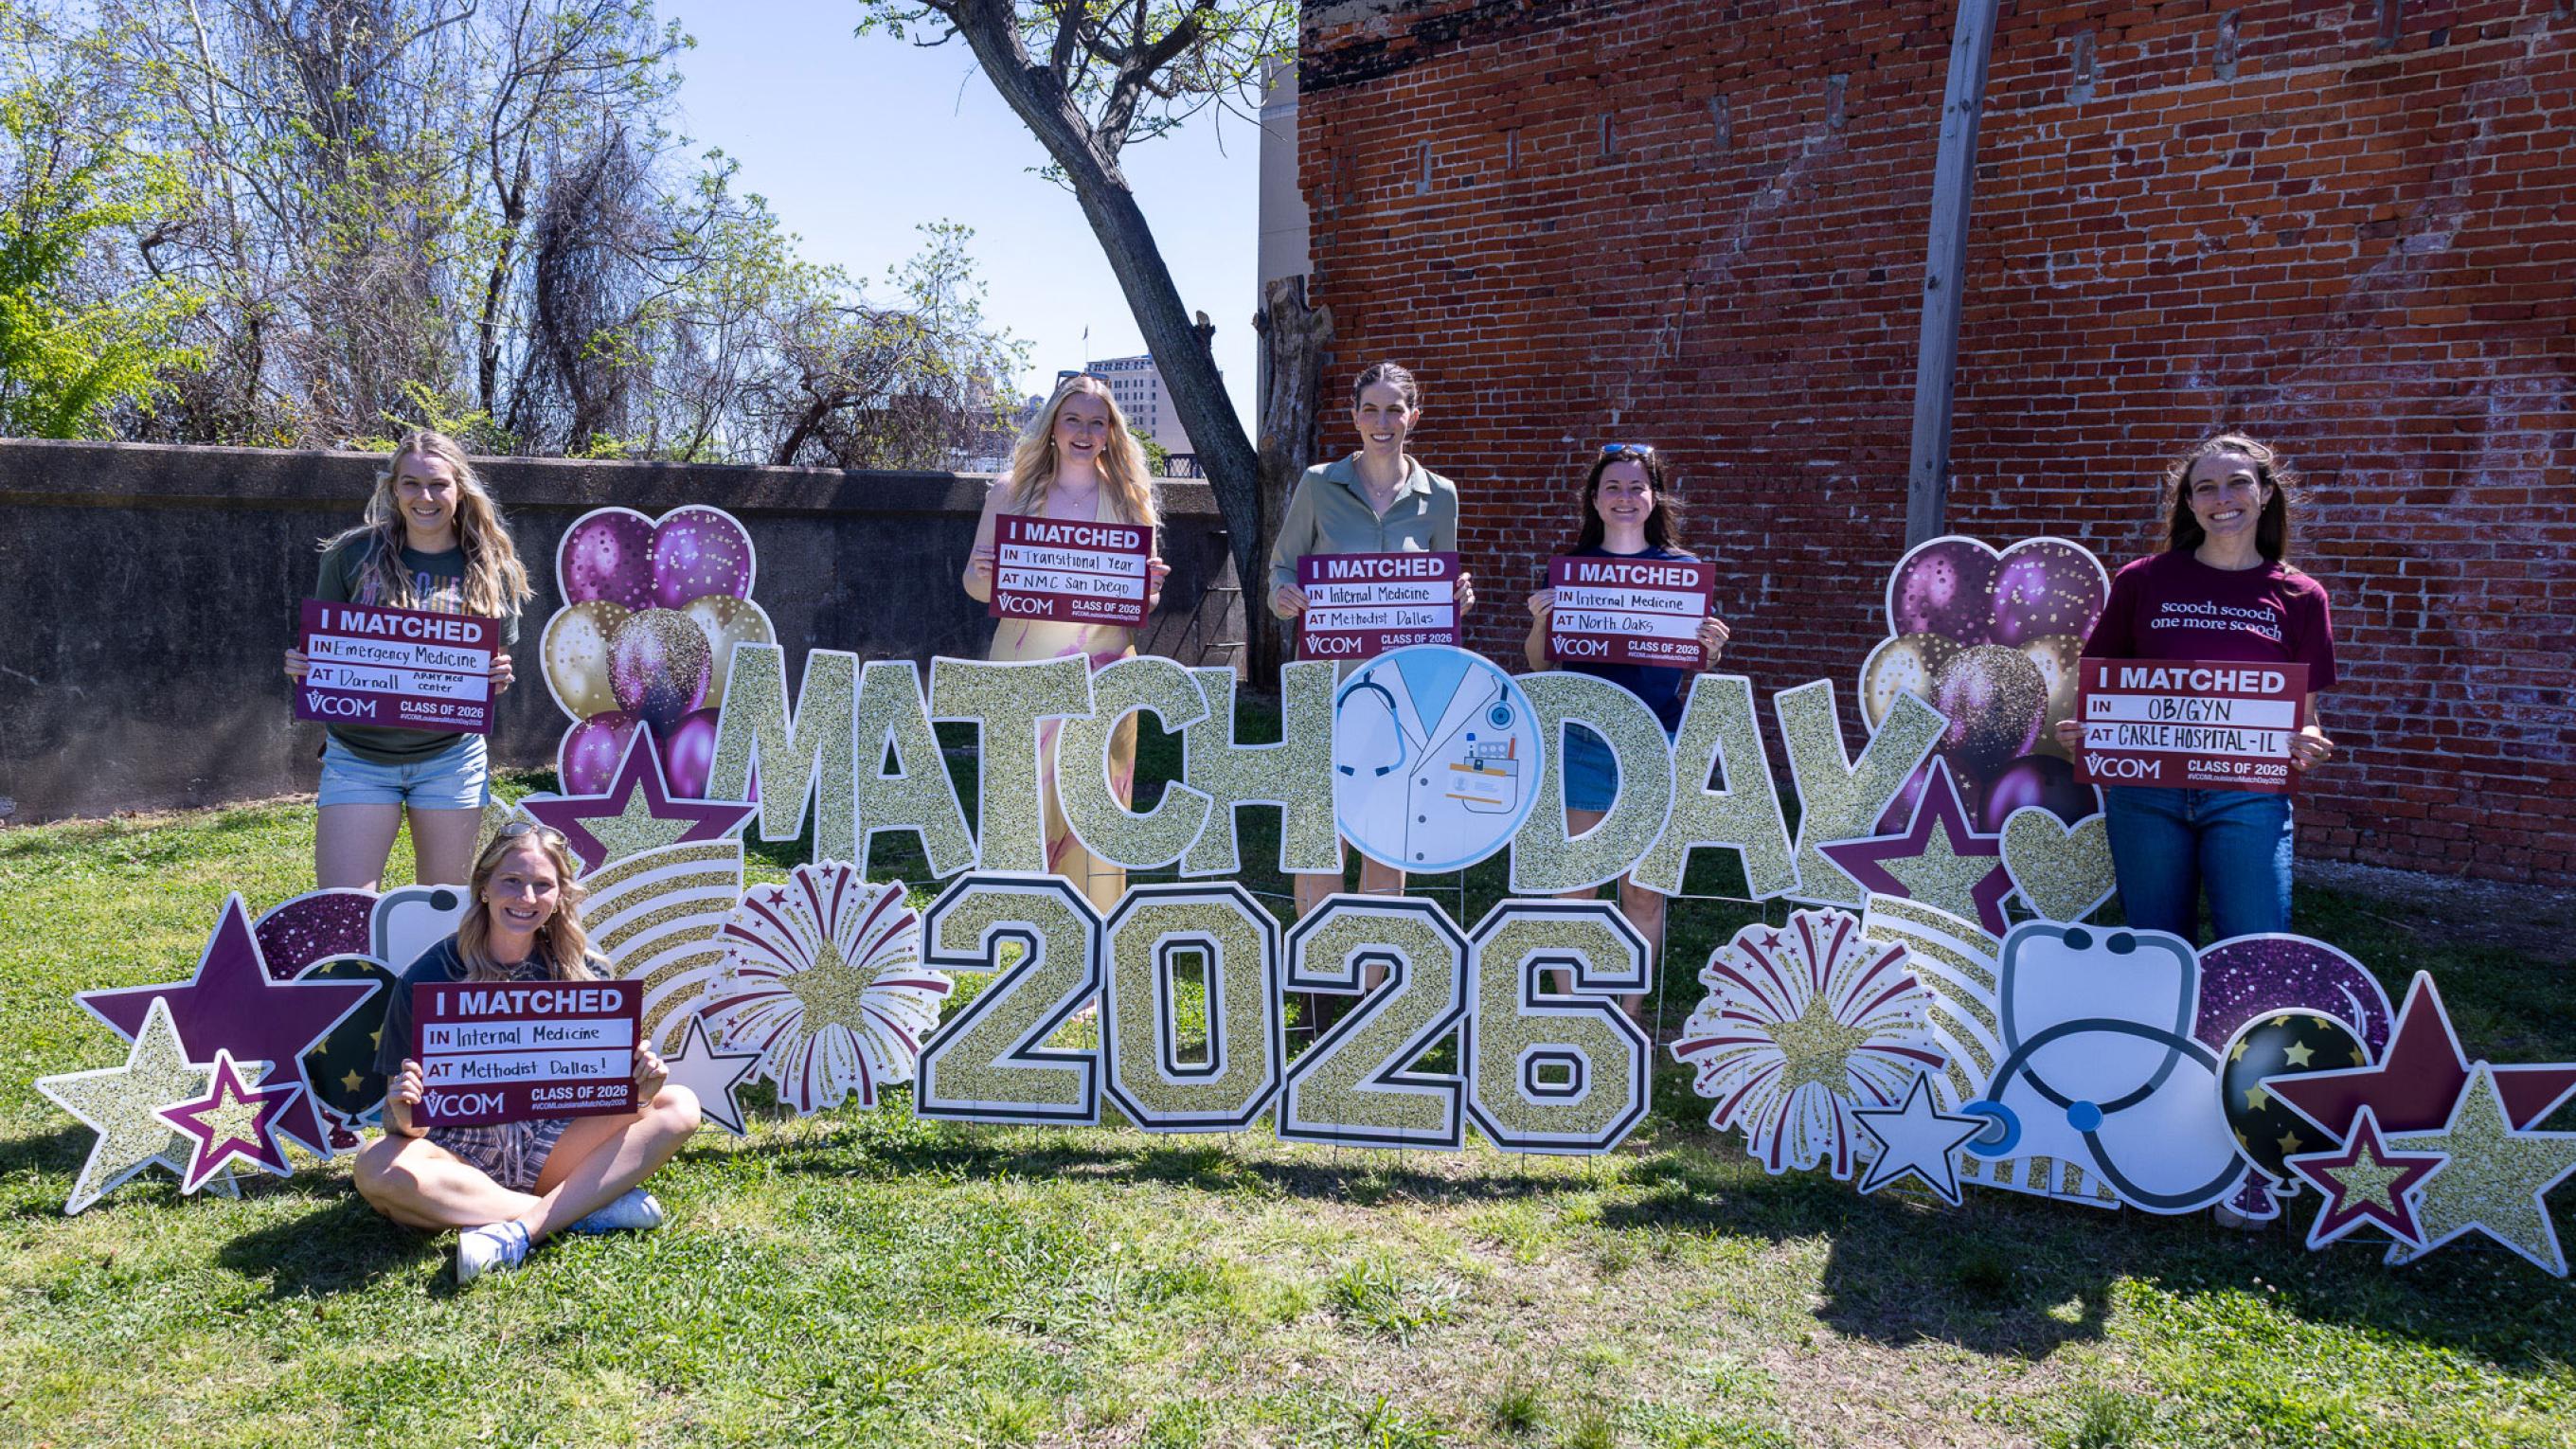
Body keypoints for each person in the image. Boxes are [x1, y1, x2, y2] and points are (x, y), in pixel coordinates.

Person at [353, 822, 701, 1283]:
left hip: (551, 1143)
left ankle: (519, 1228)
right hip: (458, 1152)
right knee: (376, 1168)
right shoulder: (429, 976)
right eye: (512, 882)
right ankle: (579, 1211)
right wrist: (404, 1110)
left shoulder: (585, 972)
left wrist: (638, 1090)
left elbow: (603, 1091)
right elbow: (403, 1124)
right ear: (483, 888)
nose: (526, 898)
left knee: (679, 1106)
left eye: (543, 885)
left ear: (560, 896)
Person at [2055, 432, 2337, 944]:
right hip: (2147, 794)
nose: (2222, 499)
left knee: (2258, 944)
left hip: (2249, 794)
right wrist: (2089, 731)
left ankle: (2247, 1028)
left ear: (2266, 493)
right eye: (2205, 488)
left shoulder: (2301, 596)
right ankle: (2161, 1027)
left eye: (2237, 483)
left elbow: (2304, 715)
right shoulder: (2142, 581)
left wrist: (2309, 743)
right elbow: (2101, 684)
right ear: (2189, 502)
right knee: (2155, 948)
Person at [1523, 443, 1730, 1024]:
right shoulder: (1571, 571)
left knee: (1643, 889)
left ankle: (1630, 1015)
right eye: (1612, 486)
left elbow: (1687, 663)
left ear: (1653, 497)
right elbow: (1541, 665)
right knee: (1576, 885)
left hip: (1656, 742)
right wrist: (1543, 619)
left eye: (1636, 487)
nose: (1624, 497)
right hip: (1584, 741)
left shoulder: (1684, 573)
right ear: (1594, 498)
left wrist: (1708, 647)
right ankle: (1572, 1013)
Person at [1268, 362, 1477, 921]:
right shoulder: (1318, 484)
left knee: (1388, 836)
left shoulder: (1441, 497)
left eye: (1394, 410)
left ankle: (1376, 975)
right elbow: (1282, 568)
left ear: (1413, 415)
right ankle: (1318, 978)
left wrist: (1458, 597)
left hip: (1405, 695)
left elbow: (1441, 587)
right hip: (1325, 684)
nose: (1382, 421)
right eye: (1370, 409)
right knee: (1320, 835)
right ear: (1354, 416)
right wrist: (1283, 597)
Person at [284, 431, 532, 891]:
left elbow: (494, 662)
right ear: (393, 489)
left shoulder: (490, 565)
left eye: (438, 484)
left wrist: (498, 675)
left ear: (459, 489)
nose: (426, 496)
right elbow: (327, 646)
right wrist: (307, 664)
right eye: (411, 483)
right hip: (357, 758)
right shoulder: (351, 555)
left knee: (441, 913)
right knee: (343, 909)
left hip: (451, 760)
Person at [962, 375, 1170, 910]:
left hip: (1106, 678)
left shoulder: (1129, 498)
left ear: (1110, 433)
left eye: (1096, 422)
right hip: (1024, 671)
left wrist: (1149, 590)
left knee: (1100, 807)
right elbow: (975, 583)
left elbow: (1137, 603)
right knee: (1024, 807)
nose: (1084, 431)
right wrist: (983, 569)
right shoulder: (1010, 492)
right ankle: (1027, 943)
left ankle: (1093, 943)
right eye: (1072, 419)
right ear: (1053, 426)